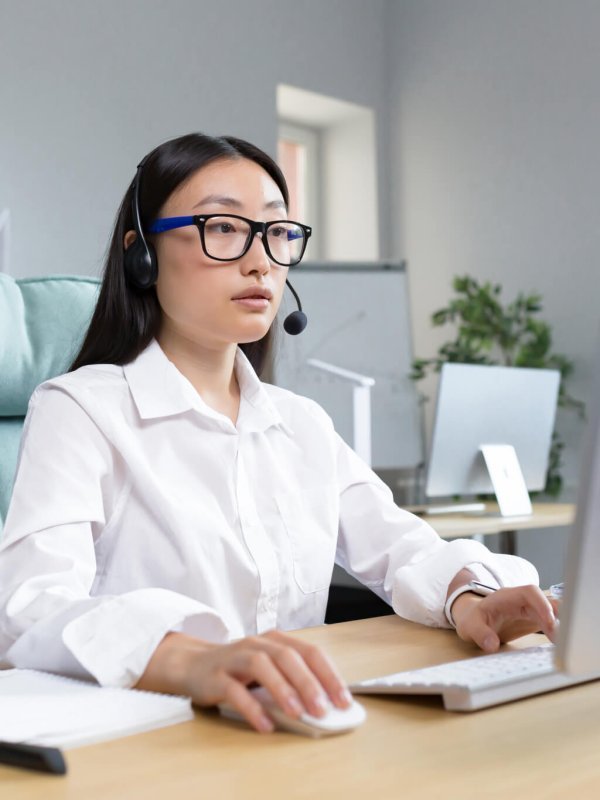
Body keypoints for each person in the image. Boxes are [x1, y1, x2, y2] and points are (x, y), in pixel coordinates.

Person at [0, 133, 557, 734]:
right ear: (143, 253)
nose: (260, 259)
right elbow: (29, 608)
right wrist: (190, 658)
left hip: (290, 727)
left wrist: (471, 596)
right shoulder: (82, 408)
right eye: (223, 228)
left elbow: (403, 549)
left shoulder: (301, 425)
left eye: (277, 231)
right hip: (149, 737)